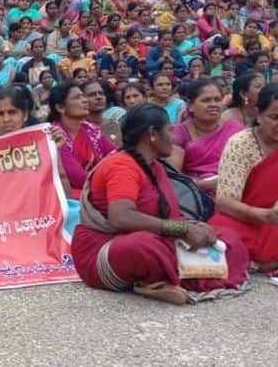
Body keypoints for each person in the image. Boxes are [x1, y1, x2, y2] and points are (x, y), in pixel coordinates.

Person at [72, 104, 249, 304]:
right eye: (170, 130)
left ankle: (160, 280)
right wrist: (181, 229)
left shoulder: (155, 166)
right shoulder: (121, 165)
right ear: (152, 134)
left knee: (228, 238)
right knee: (143, 247)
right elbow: (120, 218)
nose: (173, 138)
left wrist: (192, 227)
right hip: (105, 249)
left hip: (157, 236)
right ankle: (154, 283)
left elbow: (171, 216)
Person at [212, 83, 278, 271]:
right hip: (248, 219)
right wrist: (264, 215)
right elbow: (224, 202)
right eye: (274, 117)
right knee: (221, 230)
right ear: (258, 114)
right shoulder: (240, 144)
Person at [168, 79, 244, 192]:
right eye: (206, 100)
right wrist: (204, 184)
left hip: (235, 189)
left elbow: (248, 165)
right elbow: (174, 177)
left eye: (217, 100)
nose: (213, 104)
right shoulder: (180, 132)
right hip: (195, 193)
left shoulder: (234, 128)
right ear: (190, 105)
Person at [49, 81, 116, 197]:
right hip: (71, 194)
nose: (84, 100)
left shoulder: (92, 130)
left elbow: (115, 155)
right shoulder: (55, 136)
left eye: (83, 96)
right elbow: (78, 178)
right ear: (60, 108)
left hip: (98, 184)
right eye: (77, 97)